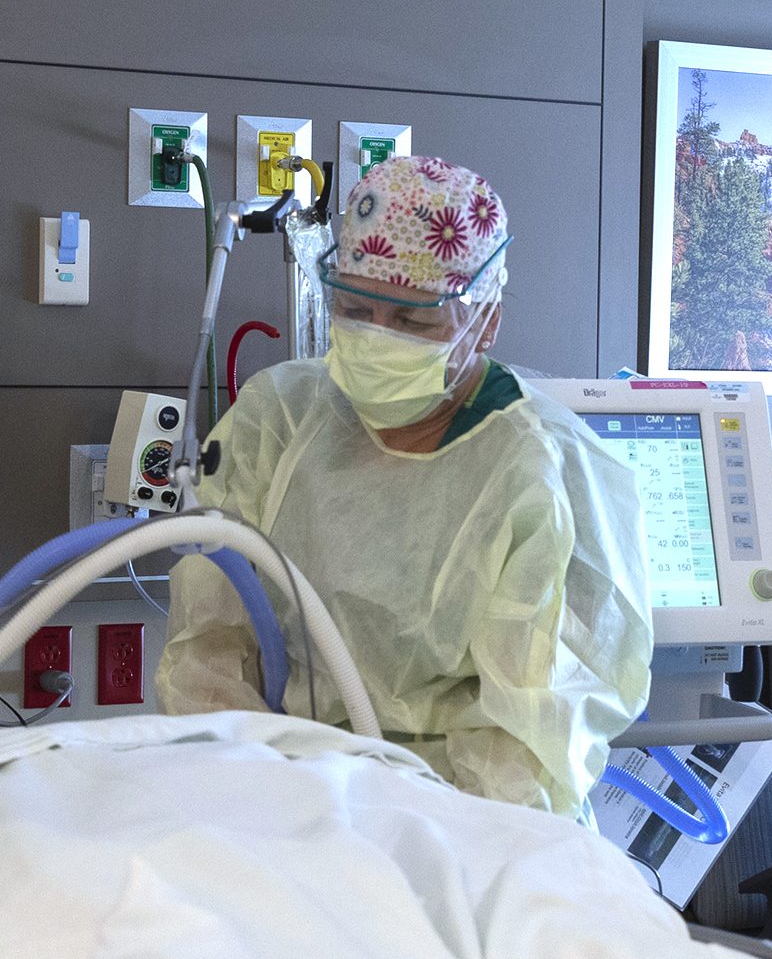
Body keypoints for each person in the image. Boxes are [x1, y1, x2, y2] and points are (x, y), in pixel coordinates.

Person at [154, 157, 652, 813]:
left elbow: (530, 750)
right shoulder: (278, 422)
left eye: (414, 321)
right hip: (285, 803)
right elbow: (208, 658)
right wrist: (265, 799)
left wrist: (420, 841)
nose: (376, 340)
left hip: (466, 828)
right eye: (354, 310)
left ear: (487, 319)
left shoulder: (544, 473)